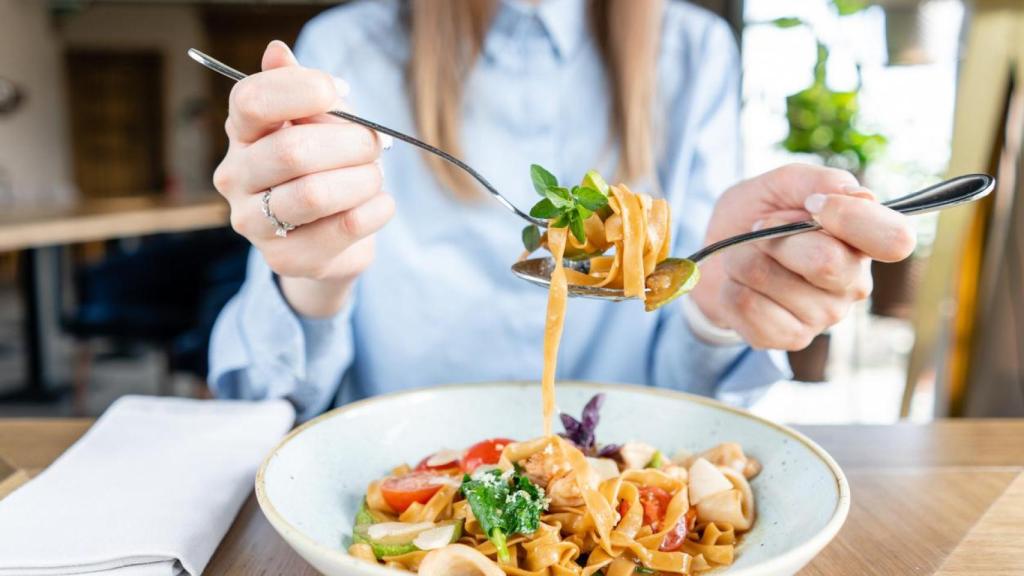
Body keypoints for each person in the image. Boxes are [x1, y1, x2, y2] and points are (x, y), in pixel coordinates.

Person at [209, 0, 915, 421]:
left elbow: (681, 385)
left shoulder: (696, 53)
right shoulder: (345, 49)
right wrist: (312, 279)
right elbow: (268, 399)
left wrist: (719, 310)